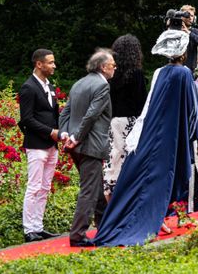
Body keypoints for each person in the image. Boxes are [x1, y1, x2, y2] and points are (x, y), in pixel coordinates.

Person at [92, 30, 198, 246]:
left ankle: (155, 216)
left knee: (137, 171)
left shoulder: (159, 72)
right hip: (172, 131)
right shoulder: (183, 74)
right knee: (168, 175)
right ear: (182, 52)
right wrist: (197, 134)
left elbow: (149, 105)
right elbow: (192, 107)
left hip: (149, 128)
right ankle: (158, 216)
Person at [59, 49, 115, 247]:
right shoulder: (102, 85)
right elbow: (92, 115)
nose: (114, 68)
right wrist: (76, 137)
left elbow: (66, 112)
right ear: (102, 67)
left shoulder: (79, 83)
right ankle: (77, 235)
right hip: (89, 144)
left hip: (77, 146)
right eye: (112, 65)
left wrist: (65, 134)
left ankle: (105, 225)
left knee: (97, 187)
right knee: (89, 191)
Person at [18, 49, 61, 243]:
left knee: (45, 187)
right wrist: (49, 132)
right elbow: (26, 119)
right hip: (36, 145)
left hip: (52, 145)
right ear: (39, 64)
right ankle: (29, 230)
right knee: (34, 187)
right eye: (50, 62)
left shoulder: (49, 85)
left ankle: (38, 226)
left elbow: (53, 114)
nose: (54, 66)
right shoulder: (28, 87)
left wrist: (61, 132)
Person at [103, 35, 148, 199]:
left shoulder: (111, 75)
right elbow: (143, 102)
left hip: (113, 121)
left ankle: (109, 194)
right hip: (131, 121)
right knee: (130, 159)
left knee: (113, 159)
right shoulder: (136, 74)